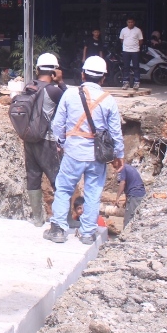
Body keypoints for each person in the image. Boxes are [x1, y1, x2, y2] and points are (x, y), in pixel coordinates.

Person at [45, 55, 124, 245]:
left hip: (73, 152)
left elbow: (57, 125)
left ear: (82, 75)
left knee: (63, 189)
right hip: (97, 155)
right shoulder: (109, 100)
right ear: (103, 78)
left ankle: (58, 230)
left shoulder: (70, 94)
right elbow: (115, 132)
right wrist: (119, 155)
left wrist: (62, 143)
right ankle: (88, 233)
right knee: (93, 193)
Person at [10, 53, 66, 227]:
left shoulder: (29, 86)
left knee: (33, 177)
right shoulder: (54, 90)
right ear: (55, 71)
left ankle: (37, 219)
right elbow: (72, 101)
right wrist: (61, 82)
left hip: (29, 139)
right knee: (58, 180)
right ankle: (62, 220)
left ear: (37, 69)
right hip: (47, 141)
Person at [117, 163, 146, 227]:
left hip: (135, 195)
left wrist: (117, 198)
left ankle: (125, 236)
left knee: (128, 219)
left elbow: (122, 183)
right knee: (135, 217)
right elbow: (130, 184)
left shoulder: (122, 169)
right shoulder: (129, 167)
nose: (113, 166)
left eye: (113, 163)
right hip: (138, 194)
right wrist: (127, 200)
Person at [118, 17, 144, 90]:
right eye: (129, 22)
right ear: (127, 23)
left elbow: (141, 41)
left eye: (132, 22)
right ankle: (126, 82)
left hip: (135, 51)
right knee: (126, 67)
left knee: (136, 67)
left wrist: (135, 46)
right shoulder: (123, 30)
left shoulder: (138, 30)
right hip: (126, 50)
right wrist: (127, 46)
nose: (130, 23)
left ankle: (136, 82)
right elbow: (121, 39)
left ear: (134, 22)